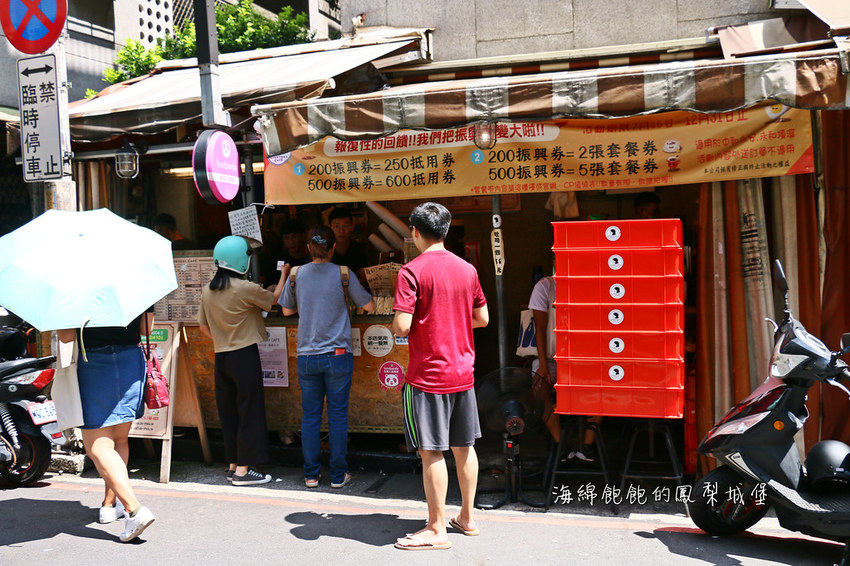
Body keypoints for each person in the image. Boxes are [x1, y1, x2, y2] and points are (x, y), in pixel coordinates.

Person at [392, 202, 489, 551]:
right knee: (465, 447)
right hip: (462, 372)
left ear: (415, 232)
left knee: (431, 451)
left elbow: (402, 325)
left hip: (427, 376)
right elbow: (483, 318)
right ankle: (467, 518)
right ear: (446, 232)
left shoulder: (411, 271)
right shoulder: (467, 270)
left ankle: (436, 528)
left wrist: (407, 323)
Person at [279, 226, 374, 489]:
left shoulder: (296, 274)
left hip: (307, 356)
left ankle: (311, 475)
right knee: (337, 416)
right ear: (332, 248)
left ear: (308, 248)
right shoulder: (343, 273)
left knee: (310, 416)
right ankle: (337, 476)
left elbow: (286, 311)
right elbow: (369, 305)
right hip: (338, 356)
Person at [56, 312, 156, 543]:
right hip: (130, 362)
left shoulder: (77, 292)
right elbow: (146, 329)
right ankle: (110, 504)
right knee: (119, 440)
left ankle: (134, 509)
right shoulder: (136, 288)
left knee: (97, 446)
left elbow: (66, 336)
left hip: (94, 363)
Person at [198, 235, 287, 486]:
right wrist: (284, 274)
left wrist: (224, 339)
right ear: (242, 260)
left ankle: (233, 464)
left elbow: (203, 327)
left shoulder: (208, 290)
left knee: (229, 412)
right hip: (244, 355)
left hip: (221, 356)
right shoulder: (244, 288)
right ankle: (243, 471)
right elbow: (275, 299)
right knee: (249, 411)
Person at [528, 275, 602, 461]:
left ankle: (587, 444)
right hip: (551, 358)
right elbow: (540, 327)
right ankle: (560, 443)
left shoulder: (592, 285)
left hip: (584, 358)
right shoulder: (546, 287)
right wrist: (543, 366)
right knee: (539, 387)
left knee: (607, 382)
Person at [328, 207, 369, 274]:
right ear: (330, 228)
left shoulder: (358, 249)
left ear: (352, 227)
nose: (341, 231)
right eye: (336, 226)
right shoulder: (324, 250)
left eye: (345, 226)